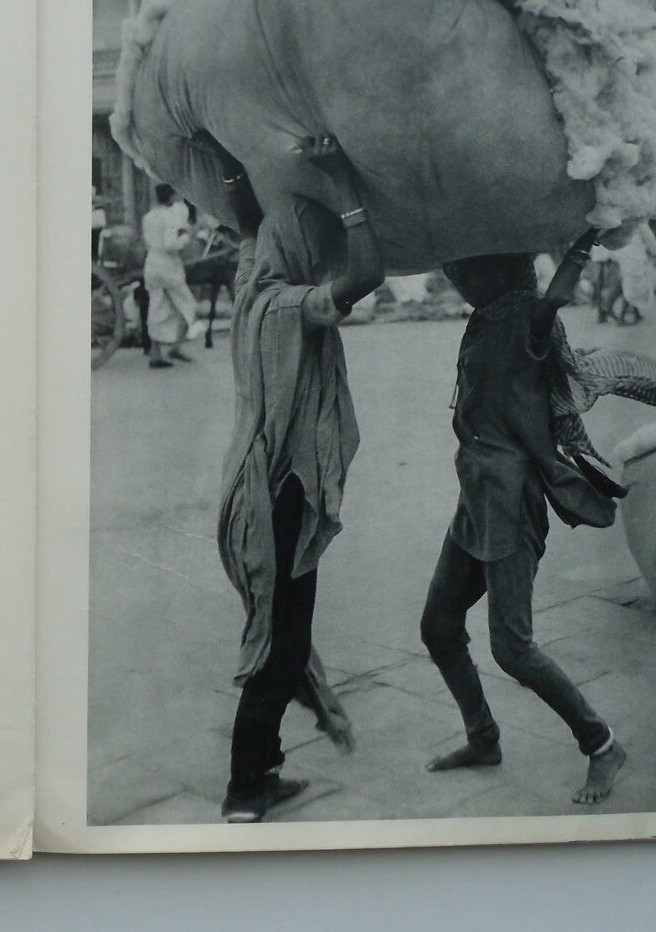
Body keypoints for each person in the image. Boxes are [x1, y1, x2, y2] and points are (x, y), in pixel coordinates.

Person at [422, 230, 627, 806]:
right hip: (476, 497)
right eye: (454, 269)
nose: (457, 276)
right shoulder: (484, 318)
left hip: (511, 502)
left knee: (512, 647)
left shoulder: (525, 319)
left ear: (503, 270)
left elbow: (554, 301)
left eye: (469, 268)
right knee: (438, 628)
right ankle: (483, 738)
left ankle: (603, 744)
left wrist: (584, 242)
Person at [218, 137, 383, 823]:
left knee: (279, 634)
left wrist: (230, 155)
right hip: (281, 493)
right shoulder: (292, 308)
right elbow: (367, 274)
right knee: (279, 648)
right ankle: (244, 789)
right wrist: (345, 184)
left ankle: (261, 771)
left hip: (253, 491)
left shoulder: (250, 287)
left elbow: (242, 219)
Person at [142, 183, 199, 367]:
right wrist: (185, 237)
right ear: (171, 196)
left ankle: (155, 353)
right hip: (168, 266)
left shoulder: (149, 216)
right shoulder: (171, 217)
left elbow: (149, 240)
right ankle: (176, 345)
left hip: (152, 263)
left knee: (157, 307)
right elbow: (170, 244)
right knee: (187, 304)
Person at [609, 221, 656, 324]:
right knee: (633, 284)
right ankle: (621, 317)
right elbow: (648, 236)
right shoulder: (639, 219)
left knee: (629, 282)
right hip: (634, 254)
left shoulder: (621, 217)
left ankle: (635, 313)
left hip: (621, 253)